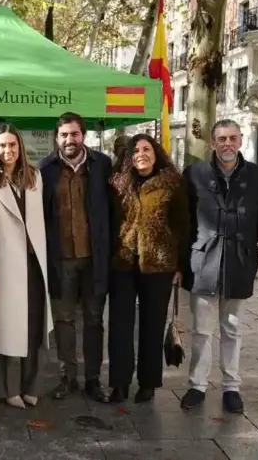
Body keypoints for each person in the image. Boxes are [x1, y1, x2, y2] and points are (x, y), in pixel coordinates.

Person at [180, 119, 258, 413]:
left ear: (241, 140)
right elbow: (185, 220)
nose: (227, 144)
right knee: (202, 330)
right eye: (221, 139)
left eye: (232, 138)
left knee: (232, 329)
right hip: (203, 260)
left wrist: (241, 241)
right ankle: (197, 385)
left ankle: (231, 387)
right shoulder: (194, 174)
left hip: (238, 260)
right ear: (212, 143)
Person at [107, 133, 189, 404]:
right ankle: (119, 382)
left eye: (146, 149)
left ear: (156, 153)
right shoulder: (117, 184)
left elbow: (182, 225)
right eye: (136, 150)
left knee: (152, 326)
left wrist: (180, 264)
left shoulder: (172, 184)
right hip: (123, 262)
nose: (141, 153)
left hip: (160, 264)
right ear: (128, 156)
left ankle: (148, 383)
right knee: (120, 325)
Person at [38, 112, 112, 402]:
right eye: (64, 135)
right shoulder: (45, 170)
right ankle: (67, 377)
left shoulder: (102, 165)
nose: (70, 140)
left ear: (84, 136)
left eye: (75, 134)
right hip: (60, 260)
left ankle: (93, 379)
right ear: (57, 138)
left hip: (95, 258)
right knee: (64, 321)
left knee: (94, 320)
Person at [0, 124, 52, 409]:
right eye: (2, 146)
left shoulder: (35, 177)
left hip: (35, 263)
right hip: (4, 263)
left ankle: (31, 385)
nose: (8, 151)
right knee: (6, 326)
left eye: (12, 145)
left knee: (34, 326)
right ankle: (7, 389)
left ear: (20, 147)